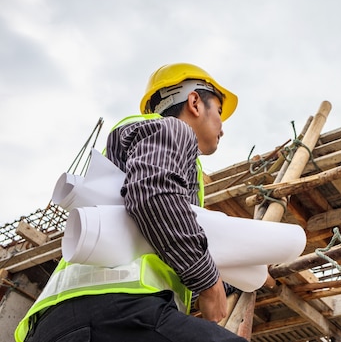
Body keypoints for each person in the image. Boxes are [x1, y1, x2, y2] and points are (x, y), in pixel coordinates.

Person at [16, 63, 247, 342]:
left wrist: (224, 284)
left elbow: (152, 241)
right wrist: (207, 279)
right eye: (219, 112)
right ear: (195, 102)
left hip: (53, 326)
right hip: (118, 313)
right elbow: (152, 192)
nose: (222, 127)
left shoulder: (135, 154)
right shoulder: (172, 130)